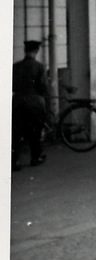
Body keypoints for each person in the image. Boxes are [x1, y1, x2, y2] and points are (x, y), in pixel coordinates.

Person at [12, 40, 50, 170]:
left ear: (25, 51)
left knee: (16, 133)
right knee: (35, 131)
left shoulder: (16, 66)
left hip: (17, 101)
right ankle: (35, 158)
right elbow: (43, 86)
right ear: (36, 51)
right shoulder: (39, 66)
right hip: (34, 102)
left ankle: (14, 162)